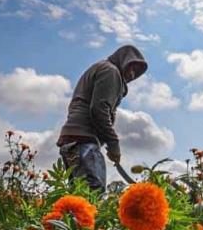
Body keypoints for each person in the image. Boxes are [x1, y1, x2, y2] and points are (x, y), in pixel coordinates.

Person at [56, 45, 148, 191]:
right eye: (131, 68)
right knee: (93, 192)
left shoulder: (101, 68)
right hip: (84, 139)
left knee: (80, 195)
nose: (132, 74)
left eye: (136, 73)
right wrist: (113, 142)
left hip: (74, 139)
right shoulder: (110, 71)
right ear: (123, 60)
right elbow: (99, 109)